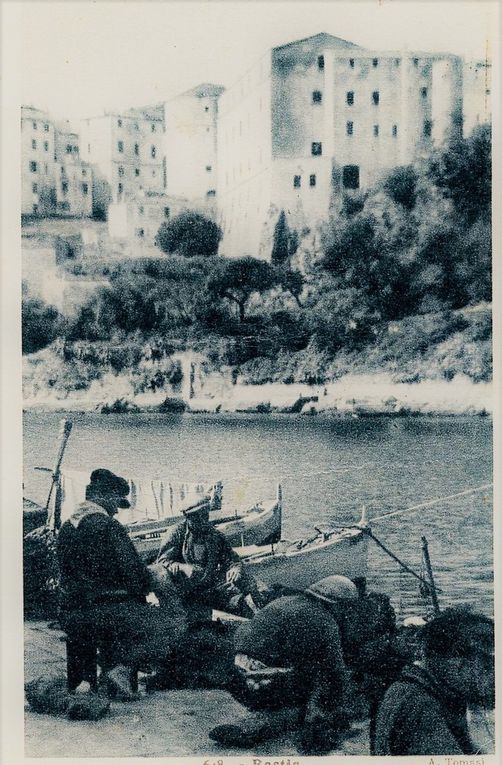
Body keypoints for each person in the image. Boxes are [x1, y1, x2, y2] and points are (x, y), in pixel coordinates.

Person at [56, 468, 187, 700]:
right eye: (116, 502)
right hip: (108, 614)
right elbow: (136, 578)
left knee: (114, 613)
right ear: (104, 495)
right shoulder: (109, 527)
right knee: (174, 622)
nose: (117, 510)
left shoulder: (66, 528)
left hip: (71, 613)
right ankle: (120, 669)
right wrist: (157, 576)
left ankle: (85, 682)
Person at [210, 575, 358, 754]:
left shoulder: (285, 601)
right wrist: (339, 706)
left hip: (234, 673)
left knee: (306, 671)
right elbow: (336, 672)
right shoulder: (325, 622)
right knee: (312, 693)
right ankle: (257, 729)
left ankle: (266, 712)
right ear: (337, 604)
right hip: (260, 683)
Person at [374, 607, 495, 755]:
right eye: (488, 667)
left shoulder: (415, 686)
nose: (493, 678)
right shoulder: (420, 705)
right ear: (458, 662)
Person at [149, 497, 262, 619]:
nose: (202, 520)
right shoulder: (177, 533)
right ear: (188, 517)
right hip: (185, 588)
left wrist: (235, 569)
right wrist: (183, 567)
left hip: (209, 584)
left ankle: (253, 610)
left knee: (247, 582)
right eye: (196, 517)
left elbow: (232, 559)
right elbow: (162, 562)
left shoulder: (215, 535)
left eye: (204, 516)